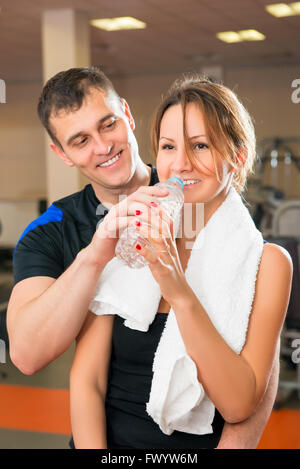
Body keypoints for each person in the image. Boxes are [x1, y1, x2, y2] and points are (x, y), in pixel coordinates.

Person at [7, 67, 280, 449]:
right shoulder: (53, 231)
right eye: (81, 139)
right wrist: (95, 255)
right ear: (61, 153)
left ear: (128, 117)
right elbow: (32, 357)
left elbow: (257, 344)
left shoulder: (200, 197)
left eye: (108, 125)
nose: (102, 146)